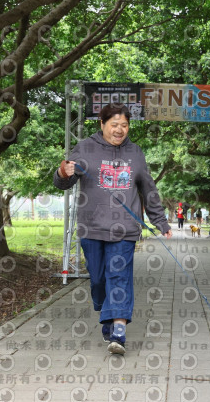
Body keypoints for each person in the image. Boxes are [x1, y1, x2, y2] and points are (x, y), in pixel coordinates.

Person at [54, 104, 172, 356]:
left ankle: (119, 330)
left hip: (125, 230)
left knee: (119, 276)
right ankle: (106, 313)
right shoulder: (85, 147)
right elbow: (64, 182)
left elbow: (148, 189)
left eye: (124, 125)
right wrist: (63, 172)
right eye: (114, 125)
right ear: (102, 124)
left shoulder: (135, 152)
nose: (120, 130)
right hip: (92, 227)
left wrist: (160, 221)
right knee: (98, 280)